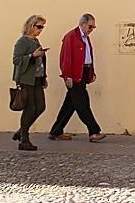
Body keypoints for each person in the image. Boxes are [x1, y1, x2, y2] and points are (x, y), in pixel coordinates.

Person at [48, 13, 107, 142]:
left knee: (70, 104)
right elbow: (65, 58)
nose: (92, 29)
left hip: (84, 72)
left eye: (93, 27)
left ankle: (56, 131)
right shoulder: (70, 37)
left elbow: (88, 56)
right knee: (82, 103)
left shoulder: (85, 38)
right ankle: (94, 131)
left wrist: (91, 72)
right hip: (75, 75)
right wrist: (67, 76)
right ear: (82, 24)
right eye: (90, 26)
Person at [11, 14, 50, 151]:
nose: (41, 29)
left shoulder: (36, 41)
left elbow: (40, 62)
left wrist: (44, 77)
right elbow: (16, 60)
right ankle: (24, 139)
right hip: (27, 80)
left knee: (40, 107)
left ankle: (21, 131)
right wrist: (32, 56)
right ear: (31, 26)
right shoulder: (22, 42)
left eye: (42, 27)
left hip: (37, 79)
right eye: (38, 26)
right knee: (29, 108)